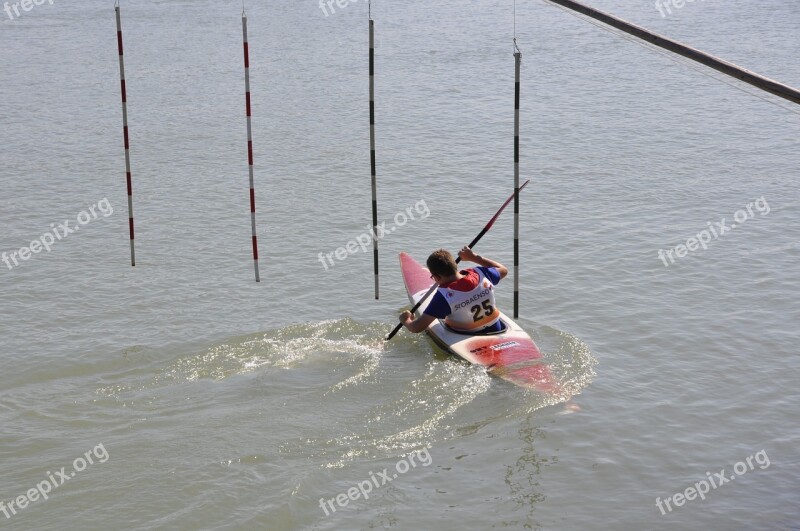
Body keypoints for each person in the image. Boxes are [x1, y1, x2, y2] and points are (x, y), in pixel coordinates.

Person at [400, 247, 508, 334]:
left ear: (437, 277)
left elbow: (417, 328)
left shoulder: (443, 297)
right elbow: (503, 270)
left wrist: (406, 320)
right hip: (496, 327)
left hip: (466, 334)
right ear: (455, 266)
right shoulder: (481, 274)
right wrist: (474, 257)